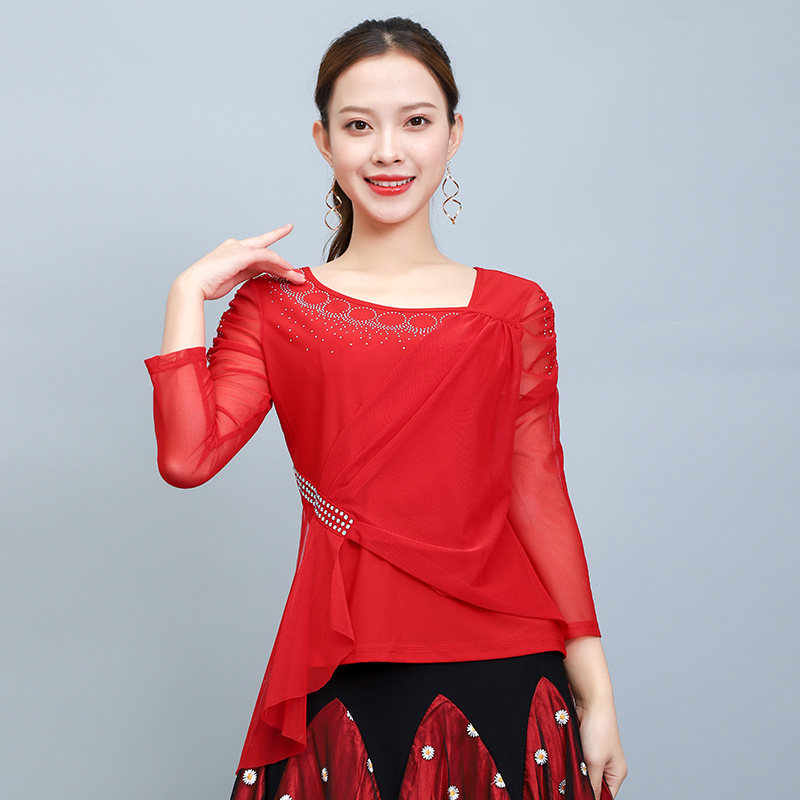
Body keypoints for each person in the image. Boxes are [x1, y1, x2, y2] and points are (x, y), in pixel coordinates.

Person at [143, 16, 627, 800]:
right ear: (324, 141)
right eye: (360, 126)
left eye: (417, 122)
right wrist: (186, 294)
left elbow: (538, 493)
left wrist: (597, 690)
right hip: (347, 670)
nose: (389, 151)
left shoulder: (515, 308)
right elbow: (186, 459)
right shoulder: (275, 308)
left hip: (512, 669)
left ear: (454, 135)